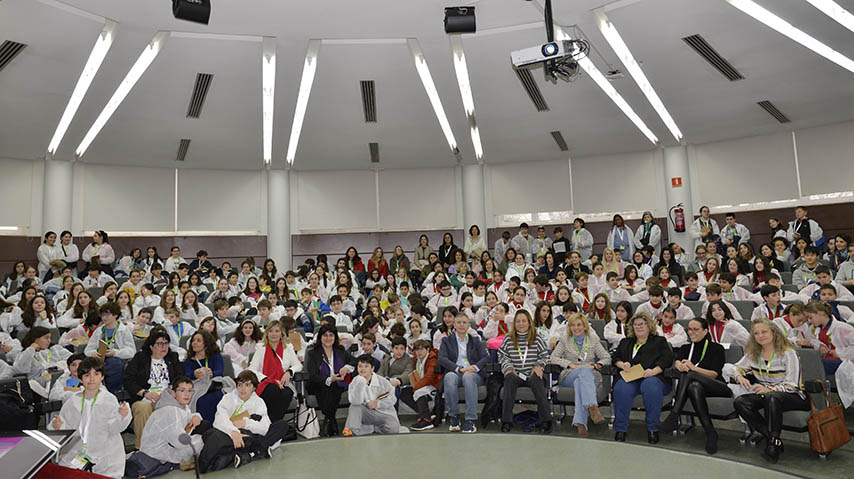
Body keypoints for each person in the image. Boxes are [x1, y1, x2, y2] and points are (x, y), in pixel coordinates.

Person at [730, 319, 809, 463]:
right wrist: (739, 376)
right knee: (741, 402)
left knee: (772, 397)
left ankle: (772, 446)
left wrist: (770, 389)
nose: (760, 336)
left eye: (764, 331)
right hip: (767, 394)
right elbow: (735, 367)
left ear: (774, 332)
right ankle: (773, 439)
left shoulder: (788, 353)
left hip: (793, 396)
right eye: (756, 333)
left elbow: (793, 385)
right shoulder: (755, 353)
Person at [48, 357, 131, 478]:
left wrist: (122, 416)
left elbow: (114, 428)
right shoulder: (72, 401)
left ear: (102, 377)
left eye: (96, 374)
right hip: (77, 452)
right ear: (80, 378)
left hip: (107, 455)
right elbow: (65, 426)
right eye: (87, 375)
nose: (92, 378)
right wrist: (58, 425)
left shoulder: (109, 400)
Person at [656, 318, 730, 454]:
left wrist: (693, 369)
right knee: (693, 386)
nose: (691, 332)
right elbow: (677, 362)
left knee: (689, 375)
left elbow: (714, 374)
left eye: (695, 329)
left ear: (705, 331)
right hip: (697, 389)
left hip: (717, 386)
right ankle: (711, 433)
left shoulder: (716, 348)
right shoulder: (686, 348)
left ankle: (674, 415)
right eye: (689, 329)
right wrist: (679, 365)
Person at [198, 370, 288, 472]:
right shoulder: (228, 398)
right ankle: (256, 451)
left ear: (254, 387)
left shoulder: (259, 402)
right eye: (240, 385)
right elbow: (219, 420)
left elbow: (265, 428)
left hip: (250, 435)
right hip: (230, 434)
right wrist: (233, 432)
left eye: (247, 385)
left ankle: (248, 453)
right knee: (212, 435)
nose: (242, 389)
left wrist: (246, 423)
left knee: (282, 426)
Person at [611, 312, 674, 444]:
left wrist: (654, 370)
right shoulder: (625, 342)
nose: (638, 327)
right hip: (632, 377)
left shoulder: (659, 341)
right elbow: (615, 358)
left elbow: (667, 359)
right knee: (621, 388)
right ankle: (621, 429)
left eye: (642, 324)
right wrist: (622, 364)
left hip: (653, 377)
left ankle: (653, 429)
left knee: (650, 386)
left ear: (649, 325)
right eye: (635, 325)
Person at [123, 328, 184, 450]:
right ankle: (142, 448)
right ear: (151, 346)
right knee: (142, 408)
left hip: (168, 397)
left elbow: (181, 378)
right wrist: (144, 393)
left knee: (173, 408)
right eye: (159, 344)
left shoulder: (172, 357)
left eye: (166, 343)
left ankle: (174, 447)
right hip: (146, 398)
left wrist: (171, 392)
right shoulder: (140, 358)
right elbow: (128, 380)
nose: (164, 346)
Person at [550, 313, 610, 437]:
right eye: (573, 325)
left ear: (585, 326)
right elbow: (553, 358)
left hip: (590, 374)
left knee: (580, 382)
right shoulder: (564, 340)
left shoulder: (593, 339)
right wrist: (569, 364)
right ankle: (593, 406)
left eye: (579, 325)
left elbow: (607, 358)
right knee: (582, 371)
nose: (576, 328)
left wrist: (595, 366)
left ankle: (581, 424)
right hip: (569, 375)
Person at [498, 310, 553, 433]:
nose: (521, 324)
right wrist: (508, 368)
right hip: (516, 374)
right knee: (509, 379)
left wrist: (539, 365)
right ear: (514, 324)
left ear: (529, 322)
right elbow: (502, 355)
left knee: (536, 379)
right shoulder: (508, 338)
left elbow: (545, 356)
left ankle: (546, 420)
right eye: (518, 321)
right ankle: (506, 421)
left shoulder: (537, 338)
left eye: (524, 321)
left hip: (532, 374)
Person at [139, 376, 207, 471]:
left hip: (164, 448)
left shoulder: (181, 406)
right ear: (173, 393)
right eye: (182, 390)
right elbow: (179, 443)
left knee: (204, 430)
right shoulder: (170, 410)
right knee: (202, 440)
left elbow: (188, 416)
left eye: (190, 391)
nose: (187, 394)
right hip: (157, 455)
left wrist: (196, 416)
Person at [437, 313, 489, 433]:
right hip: (456, 372)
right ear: (454, 325)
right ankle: (454, 417)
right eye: (459, 322)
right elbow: (442, 359)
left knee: (469, 378)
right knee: (449, 377)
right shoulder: (446, 341)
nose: (461, 325)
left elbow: (485, 358)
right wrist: (459, 369)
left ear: (469, 325)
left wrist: (474, 367)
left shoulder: (475, 340)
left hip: (473, 374)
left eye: (464, 322)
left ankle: (471, 420)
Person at [304, 324, 357, 436]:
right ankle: (332, 419)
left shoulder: (340, 350)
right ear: (320, 337)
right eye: (325, 335)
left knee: (333, 387)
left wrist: (346, 367)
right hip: (318, 384)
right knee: (328, 387)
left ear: (335, 337)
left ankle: (329, 419)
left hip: (337, 384)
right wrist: (329, 379)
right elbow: (313, 375)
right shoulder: (313, 353)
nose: (328, 338)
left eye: (331, 335)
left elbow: (355, 361)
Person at [248, 320, 300, 423]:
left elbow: (298, 365)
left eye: (277, 331)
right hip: (265, 383)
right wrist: (269, 379)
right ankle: (270, 424)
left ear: (282, 334)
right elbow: (251, 369)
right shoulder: (261, 348)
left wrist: (289, 372)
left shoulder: (288, 348)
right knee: (273, 389)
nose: (274, 334)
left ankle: (272, 424)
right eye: (271, 331)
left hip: (282, 383)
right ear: (267, 333)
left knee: (287, 393)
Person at [342, 354, 407, 436]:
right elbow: (353, 401)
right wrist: (359, 386)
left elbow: (392, 399)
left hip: (382, 413)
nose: (362, 369)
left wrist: (377, 404)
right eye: (360, 366)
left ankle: (377, 427)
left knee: (394, 429)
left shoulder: (383, 382)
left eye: (366, 366)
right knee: (354, 406)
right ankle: (352, 431)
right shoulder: (355, 382)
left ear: (372, 368)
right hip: (366, 413)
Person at [84, 302, 135, 393]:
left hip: (118, 359)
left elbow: (131, 351)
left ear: (115, 315)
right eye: (102, 315)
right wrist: (93, 353)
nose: (104, 317)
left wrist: (115, 352)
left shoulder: (124, 330)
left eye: (107, 314)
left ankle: (114, 392)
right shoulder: (99, 331)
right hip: (100, 359)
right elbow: (88, 349)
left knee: (115, 363)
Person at [183, 330, 225, 422]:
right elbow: (185, 375)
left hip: (213, 387)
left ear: (206, 343)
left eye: (198, 340)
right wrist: (194, 374)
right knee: (200, 400)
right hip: (197, 387)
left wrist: (212, 373)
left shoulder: (215, 356)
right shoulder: (189, 360)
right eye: (193, 340)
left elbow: (220, 371)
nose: (194, 343)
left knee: (218, 397)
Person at [803, 301, 854, 376]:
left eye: (810, 317)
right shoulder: (814, 328)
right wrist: (820, 346)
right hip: (828, 359)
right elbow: (812, 340)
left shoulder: (842, 328)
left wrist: (838, 353)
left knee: (815, 363)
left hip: (845, 361)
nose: (809, 321)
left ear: (820, 313)